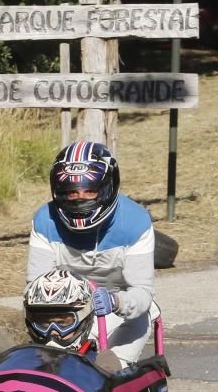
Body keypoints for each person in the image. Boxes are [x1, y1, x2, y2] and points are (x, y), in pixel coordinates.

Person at [26, 140, 158, 366]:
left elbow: (143, 294)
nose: (79, 198)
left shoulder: (136, 222)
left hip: (116, 308)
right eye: (70, 192)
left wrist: (116, 302)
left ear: (108, 188)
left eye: (90, 191)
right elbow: (34, 289)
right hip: (64, 315)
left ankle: (118, 367)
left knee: (146, 313)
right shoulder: (44, 220)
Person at [24, 268, 122, 372]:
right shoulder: (23, 358)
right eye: (44, 323)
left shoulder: (102, 363)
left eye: (62, 323)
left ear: (84, 321)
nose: (53, 332)